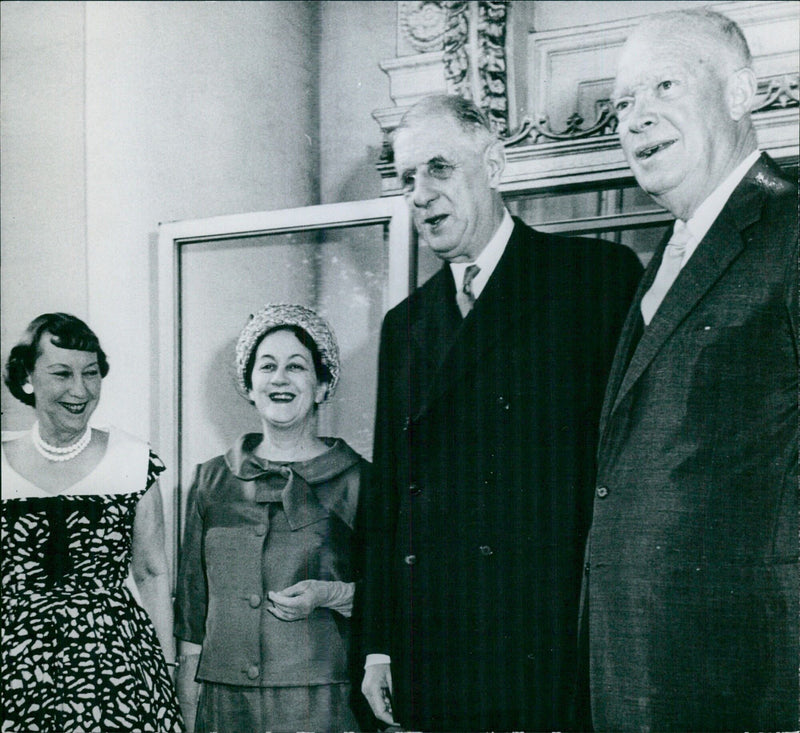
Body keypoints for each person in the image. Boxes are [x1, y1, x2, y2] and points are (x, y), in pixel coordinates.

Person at [356, 94, 643, 732]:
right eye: (406, 179)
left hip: (553, 642)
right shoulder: (405, 326)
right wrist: (378, 644)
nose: (419, 195)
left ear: (493, 164)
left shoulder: (592, 278)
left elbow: (632, 472)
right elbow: (387, 503)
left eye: (438, 169)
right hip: (435, 643)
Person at [582, 8, 798, 731]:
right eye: (622, 103)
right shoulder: (664, 260)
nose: (635, 119)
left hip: (748, 678)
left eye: (664, 86)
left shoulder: (790, 233)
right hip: (643, 668)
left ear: (740, 95)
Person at [174, 303, 368, 733]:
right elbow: (191, 612)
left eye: (296, 366)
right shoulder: (210, 479)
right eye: (267, 366)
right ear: (250, 384)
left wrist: (331, 593)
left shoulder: (357, 479)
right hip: (225, 705)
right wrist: (188, 702)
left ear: (321, 386)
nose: (279, 378)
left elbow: (396, 597)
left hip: (321, 701)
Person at [1, 312, 183, 732]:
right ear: (28, 376)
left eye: (91, 373)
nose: (80, 390)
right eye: (62, 373)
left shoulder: (132, 459)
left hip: (116, 668)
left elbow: (153, 573)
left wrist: (166, 664)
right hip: (15, 666)